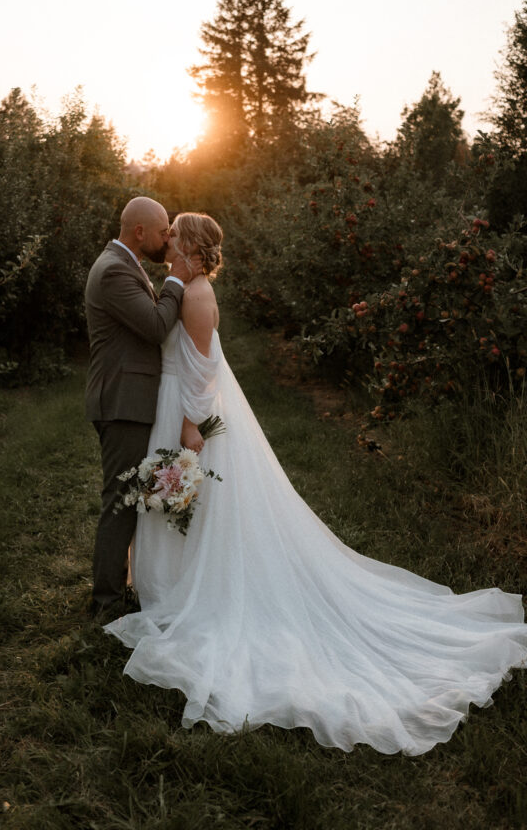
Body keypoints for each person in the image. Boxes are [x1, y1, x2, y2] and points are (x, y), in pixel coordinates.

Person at [105, 212, 527, 756]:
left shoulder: (197, 294)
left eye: (173, 237)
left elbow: (203, 369)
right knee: (179, 508)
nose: (166, 243)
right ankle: (164, 586)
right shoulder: (185, 285)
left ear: (187, 246)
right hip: (174, 411)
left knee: (194, 504)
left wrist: (192, 428)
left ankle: (181, 592)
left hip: (190, 419)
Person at [85, 196, 201, 621]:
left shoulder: (122, 264)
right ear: (139, 232)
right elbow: (154, 326)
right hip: (121, 401)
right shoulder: (115, 270)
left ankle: (119, 589)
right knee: (118, 500)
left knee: (126, 496)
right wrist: (175, 280)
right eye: (162, 230)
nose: (166, 238)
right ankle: (106, 604)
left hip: (127, 398)